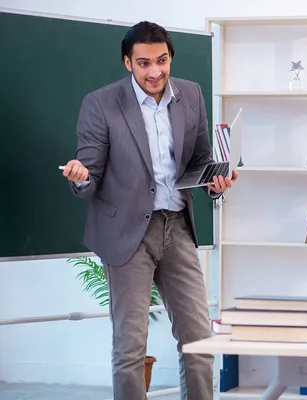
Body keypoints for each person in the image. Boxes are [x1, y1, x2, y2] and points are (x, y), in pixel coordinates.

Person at [62, 21, 237, 400]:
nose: (154, 71)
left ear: (170, 57)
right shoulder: (101, 103)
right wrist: (79, 176)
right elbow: (88, 170)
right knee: (130, 347)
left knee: (199, 340)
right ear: (128, 63)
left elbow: (201, 159)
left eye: (161, 60)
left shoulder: (191, 94)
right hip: (127, 234)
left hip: (178, 228)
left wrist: (214, 182)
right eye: (144, 63)